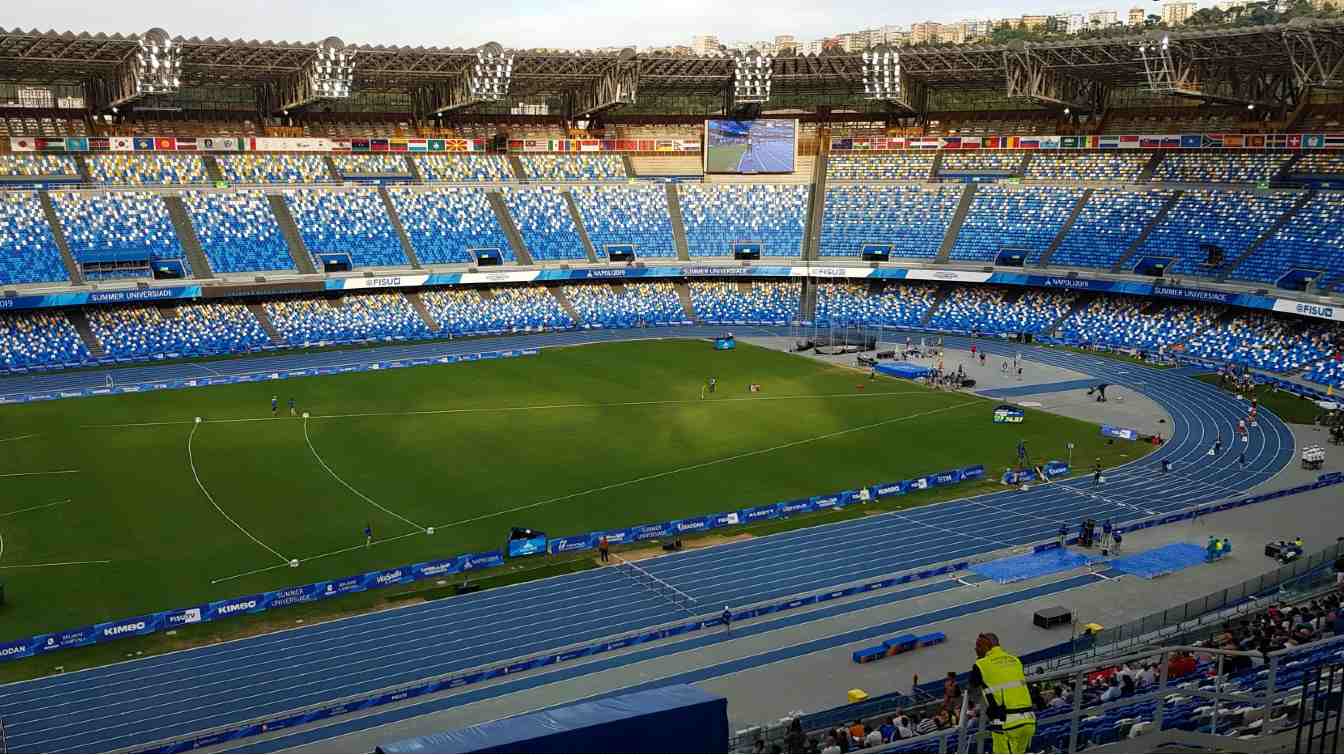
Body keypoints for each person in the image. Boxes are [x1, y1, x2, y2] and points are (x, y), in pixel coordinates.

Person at [968, 633, 1036, 754]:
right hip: (1029, 721)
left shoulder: (980, 665)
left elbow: (971, 689)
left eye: (978, 646)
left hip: (1006, 725)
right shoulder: (1015, 660)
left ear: (985, 646)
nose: (975, 650)